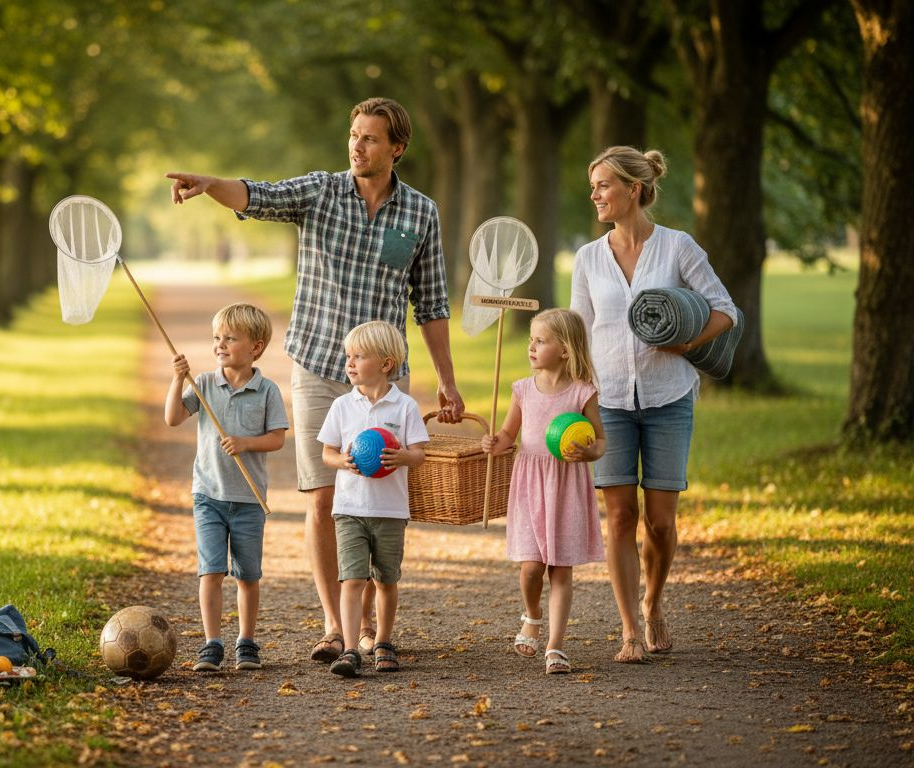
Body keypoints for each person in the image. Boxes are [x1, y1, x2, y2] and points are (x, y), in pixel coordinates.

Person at [166, 97, 465, 663]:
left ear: (396, 148)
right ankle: (336, 626)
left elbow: (431, 303)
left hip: (381, 381)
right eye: (353, 135)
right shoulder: (322, 191)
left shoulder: (420, 212)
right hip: (318, 369)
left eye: (371, 138)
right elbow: (259, 196)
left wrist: (446, 380)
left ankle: (377, 624)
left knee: (375, 497)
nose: (357, 146)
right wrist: (209, 184)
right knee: (324, 496)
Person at [571, 146, 738, 663]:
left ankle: (654, 601)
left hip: (669, 397)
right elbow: (578, 331)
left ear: (634, 190)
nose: (594, 194)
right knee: (620, 517)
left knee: (661, 522)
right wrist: (572, 398)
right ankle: (629, 631)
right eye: (593, 185)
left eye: (603, 185)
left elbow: (725, 309)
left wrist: (685, 343)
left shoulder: (677, 247)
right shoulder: (588, 257)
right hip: (611, 401)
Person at [481, 309, 607, 675]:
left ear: (565, 350)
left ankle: (555, 646)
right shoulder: (522, 390)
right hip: (530, 483)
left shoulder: (583, 393)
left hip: (566, 484)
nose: (531, 347)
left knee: (561, 569)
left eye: (540, 341)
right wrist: (496, 442)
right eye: (531, 340)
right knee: (531, 567)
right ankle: (532, 615)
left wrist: (588, 452)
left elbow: (600, 442)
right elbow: (508, 436)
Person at [165, 303, 289, 671]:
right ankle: (212, 643)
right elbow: (172, 418)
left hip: (248, 498)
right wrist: (176, 379)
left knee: (248, 575)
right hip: (208, 495)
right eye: (217, 337)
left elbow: (278, 438)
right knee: (211, 571)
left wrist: (246, 442)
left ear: (256, 347)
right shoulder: (202, 384)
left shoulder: (267, 390)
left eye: (230, 338)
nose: (220, 344)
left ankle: (246, 642)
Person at [316, 321, 429, 677]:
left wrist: (402, 458)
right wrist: (344, 462)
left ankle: (383, 640)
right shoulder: (342, 406)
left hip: (390, 509)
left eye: (359, 356)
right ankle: (350, 649)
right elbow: (327, 453)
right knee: (352, 579)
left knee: (386, 580)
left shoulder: (404, 406)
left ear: (386, 363)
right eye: (348, 356)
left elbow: (419, 453)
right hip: (349, 508)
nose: (349, 363)